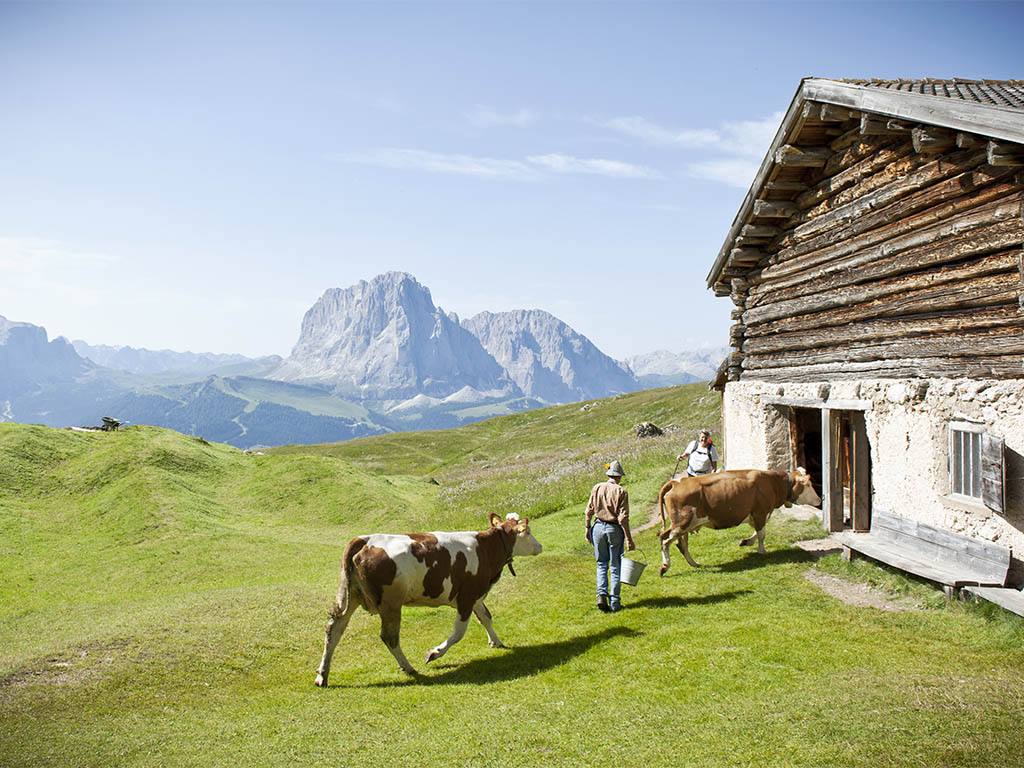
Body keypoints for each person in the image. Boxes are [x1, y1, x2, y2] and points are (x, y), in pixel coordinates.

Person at [584, 460, 635, 613]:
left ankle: (601, 593)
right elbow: (623, 519)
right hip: (614, 529)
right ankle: (615, 601)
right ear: (619, 477)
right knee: (615, 565)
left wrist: (587, 528)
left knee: (601, 563)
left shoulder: (597, 487)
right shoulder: (622, 492)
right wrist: (629, 539)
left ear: (608, 474)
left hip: (598, 527)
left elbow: (588, 511)